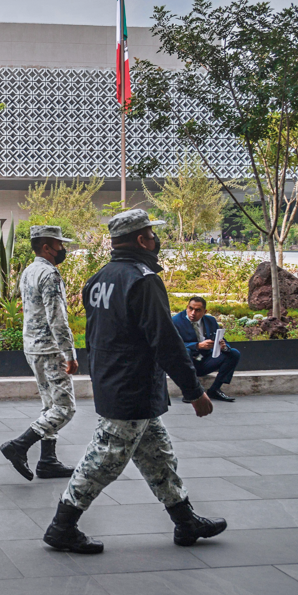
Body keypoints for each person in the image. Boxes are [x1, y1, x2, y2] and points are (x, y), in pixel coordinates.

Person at [43, 209, 227, 555]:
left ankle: (185, 522)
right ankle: (61, 526)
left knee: (158, 454)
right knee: (104, 458)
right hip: (132, 386)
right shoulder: (142, 280)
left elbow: (97, 335)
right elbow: (166, 340)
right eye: (152, 235)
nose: (156, 240)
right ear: (142, 240)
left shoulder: (98, 278)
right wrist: (194, 390)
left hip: (116, 381)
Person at [0, 226, 79, 481]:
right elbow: (57, 317)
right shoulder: (49, 274)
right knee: (65, 408)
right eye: (59, 244)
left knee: (50, 406)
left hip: (32, 347)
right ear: (47, 247)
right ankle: (19, 445)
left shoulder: (29, 271)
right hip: (50, 349)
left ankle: (48, 461)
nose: (62, 249)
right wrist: (69, 353)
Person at [172, 296, 239, 403]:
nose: (193, 313)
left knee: (234, 353)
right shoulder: (175, 321)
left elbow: (223, 340)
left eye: (198, 310)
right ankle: (189, 392)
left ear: (204, 311)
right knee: (186, 351)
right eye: (190, 308)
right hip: (186, 364)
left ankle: (214, 390)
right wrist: (197, 345)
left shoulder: (210, 320)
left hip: (205, 360)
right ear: (187, 307)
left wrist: (223, 346)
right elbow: (173, 345)